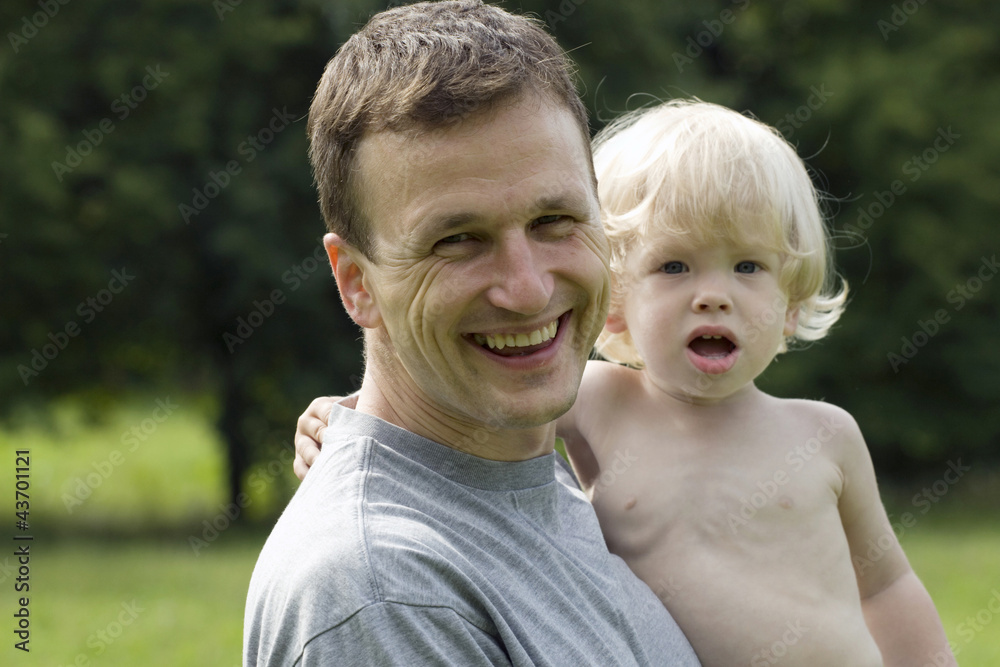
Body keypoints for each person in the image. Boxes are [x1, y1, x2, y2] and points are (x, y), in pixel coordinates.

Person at [293, 100, 958, 666]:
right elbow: (459, 406)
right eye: (674, 266)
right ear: (613, 302)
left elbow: (887, 585)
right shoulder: (598, 401)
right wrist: (343, 417)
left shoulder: (824, 435)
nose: (713, 296)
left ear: (790, 303)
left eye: (748, 266)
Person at [243, 2, 699, 665]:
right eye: (457, 240)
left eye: (555, 220)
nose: (529, 289)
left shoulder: (547, 472)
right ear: (356, 283)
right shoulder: (386, 592)